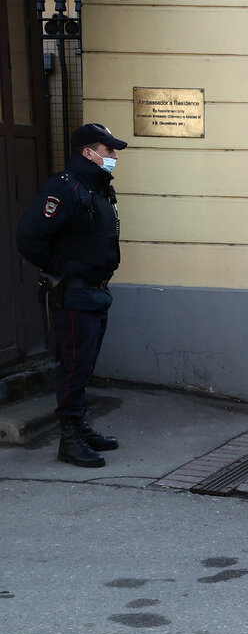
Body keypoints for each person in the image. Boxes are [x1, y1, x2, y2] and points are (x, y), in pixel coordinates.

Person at [16, 123, 127, 468]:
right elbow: (29, 238)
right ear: (88, 153)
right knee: (73, 367)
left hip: (96, 292)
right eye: (108, 151)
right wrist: (64, 268)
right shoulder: (65, 188)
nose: (113, 157)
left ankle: (80, 427)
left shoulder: (97, 189)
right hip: (74, 295)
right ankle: (69, 439)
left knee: (85, 366)